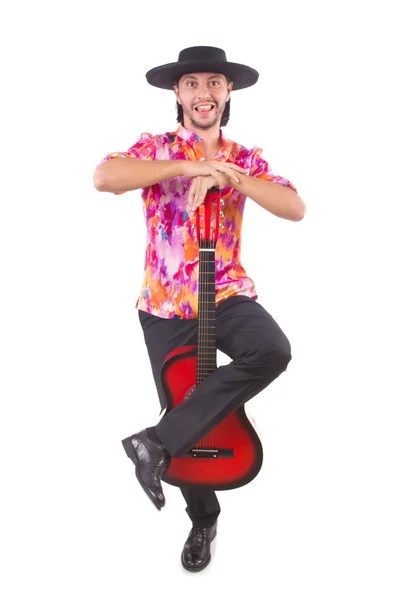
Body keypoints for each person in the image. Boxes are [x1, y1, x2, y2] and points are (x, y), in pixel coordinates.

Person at [93, 46, 306, 572]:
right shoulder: (157, 148)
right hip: (164, 306)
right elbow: (104, 176)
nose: (203, 93)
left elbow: (294, 208)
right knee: (186, 409)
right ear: (178, 94)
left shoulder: (246, 157)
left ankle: (153, 444)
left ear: (227, 91)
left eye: (214, 83)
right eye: (193, 83)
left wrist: (227, 173)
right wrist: (192, 165)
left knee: (271, 350)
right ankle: (203, 517)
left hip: (225, 293)